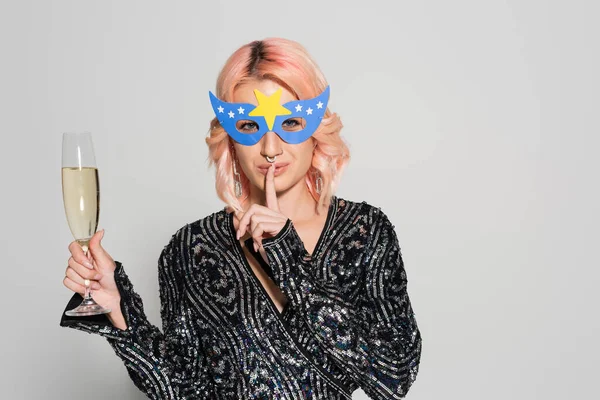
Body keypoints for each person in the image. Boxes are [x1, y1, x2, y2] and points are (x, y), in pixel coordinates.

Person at [60, 37, 422, 400]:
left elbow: (395, 375)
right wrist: (119, 310)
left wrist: (287, 257)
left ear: (316, 129)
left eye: (291, 121)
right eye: (249, 126)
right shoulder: (193, 249)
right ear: (229, 138)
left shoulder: (364, 232)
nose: (270, 147)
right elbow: (186, 390)